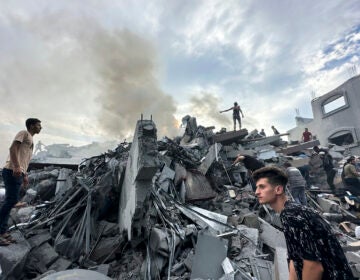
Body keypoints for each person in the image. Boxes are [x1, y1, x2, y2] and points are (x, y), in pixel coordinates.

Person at [252, 166, 354, 280]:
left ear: (278, 190)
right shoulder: (291, 212)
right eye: (256, 187)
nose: (256, 192)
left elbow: (313, 266)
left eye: (262, 187)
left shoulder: (292, 216)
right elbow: (295, 259)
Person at [0, 118, 42, 246]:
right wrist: (17, 167)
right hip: (12, 170)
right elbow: (12, 148)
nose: (41, 127)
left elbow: (24, 159)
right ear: (31, 125)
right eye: (39, 125)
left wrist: (25, 174)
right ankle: (0, 232)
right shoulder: (24, 133)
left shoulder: (31, 140)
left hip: (18, 172)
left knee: (10, 201)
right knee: (10, 201)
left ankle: (3, 231)